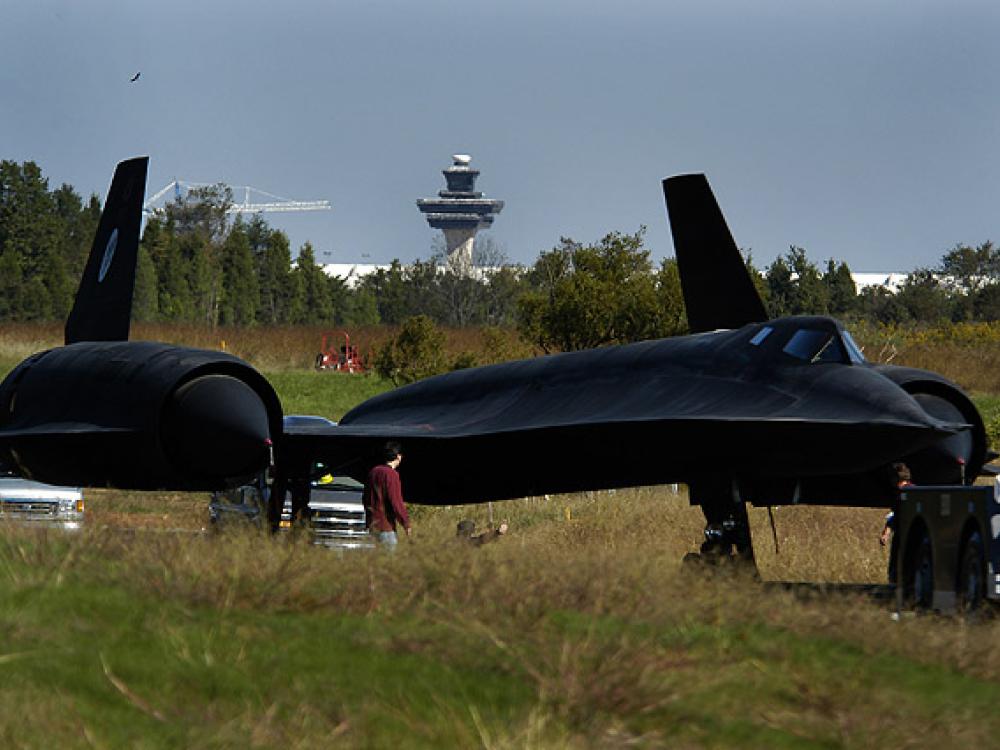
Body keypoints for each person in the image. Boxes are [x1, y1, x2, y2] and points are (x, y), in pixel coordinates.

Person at [363, 441, 411, 548]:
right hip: (386, 526)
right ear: (398, 456)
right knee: (388, 562)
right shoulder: (392, 475)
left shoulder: (373, 471)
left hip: (372, 525)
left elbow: (365, 497)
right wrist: (406, 523)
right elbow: (396, 501)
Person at [880, 462, 912, 583]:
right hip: (904, 534)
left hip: (904, 535)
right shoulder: (908, 492)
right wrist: (886, 532)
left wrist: (886, 533)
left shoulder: (905, 493)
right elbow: (894, 514)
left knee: (896, 567)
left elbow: (894, 515)